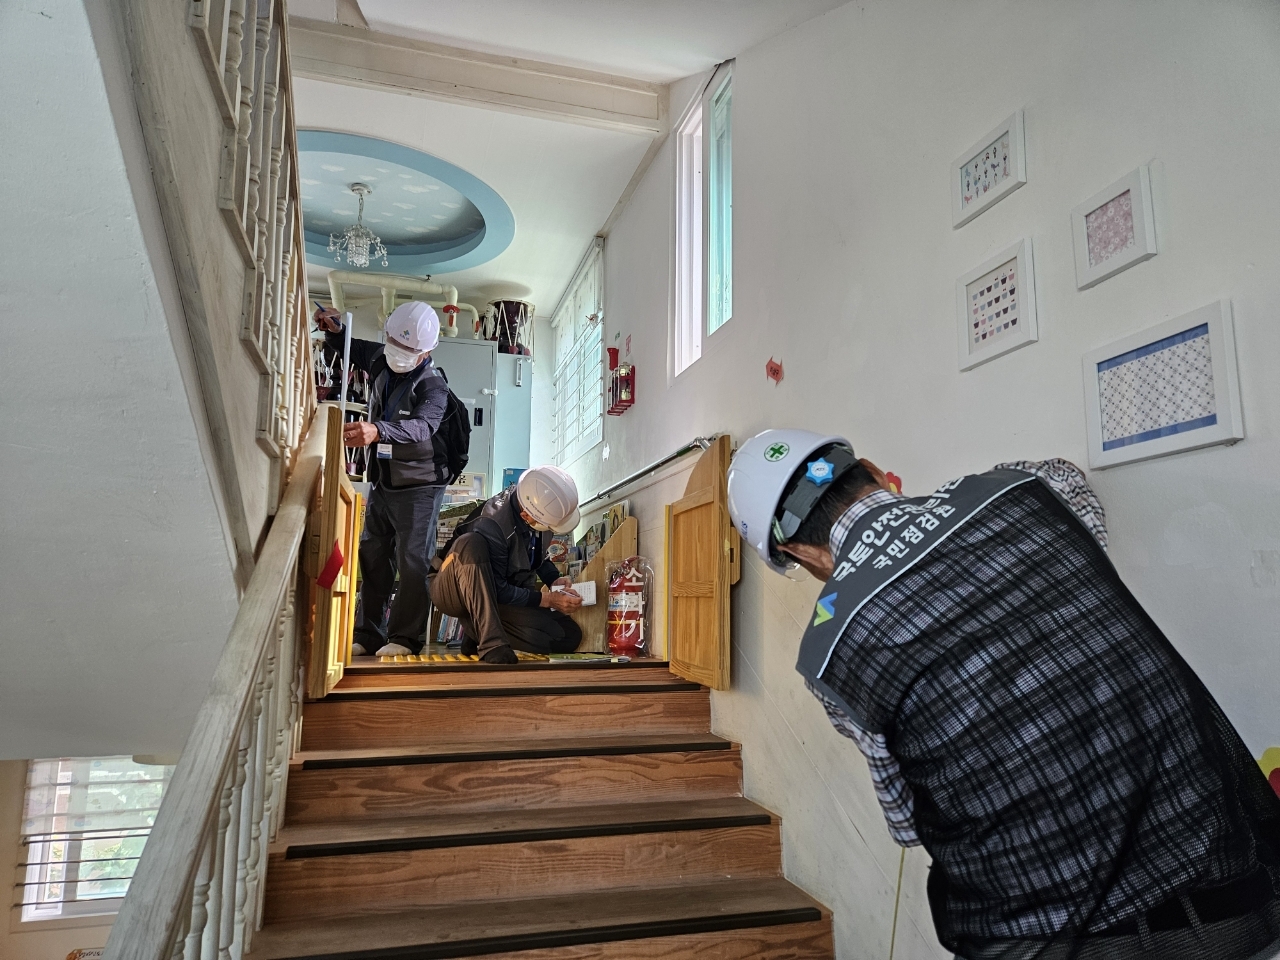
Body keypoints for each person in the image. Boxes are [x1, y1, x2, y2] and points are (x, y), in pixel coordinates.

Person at [726, 429, 1280, 960]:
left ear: (798, 552)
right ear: (871, 471)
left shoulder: (830, 652)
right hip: (1224, 894)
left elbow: (906, 822)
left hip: (1041, 936)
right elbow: (1069, 481)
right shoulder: (1020, 491)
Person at [315, 302, 452, 658]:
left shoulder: (434, 387)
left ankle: (405, 639)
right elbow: (353, 347)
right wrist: (334, 331)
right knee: (372, 555)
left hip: (421, 486)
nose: (398, 354)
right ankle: (369, 633)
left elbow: (423, 427)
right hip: (384, 480)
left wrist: (378, 430)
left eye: (407, 350)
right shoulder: (381, 358)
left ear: (427, 351)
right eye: (393, 343)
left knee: (412, 561)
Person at [431, 465, 583, 664]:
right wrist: (548, 600)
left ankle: (476, 630)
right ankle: (491, 643)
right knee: (470, 544)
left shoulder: (538, 511)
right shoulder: (492, 524)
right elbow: (498, 588)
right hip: (452, 589)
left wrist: (554, 578)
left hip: (494, 597)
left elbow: (536, 553)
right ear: (526, 516)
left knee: (567, 635)